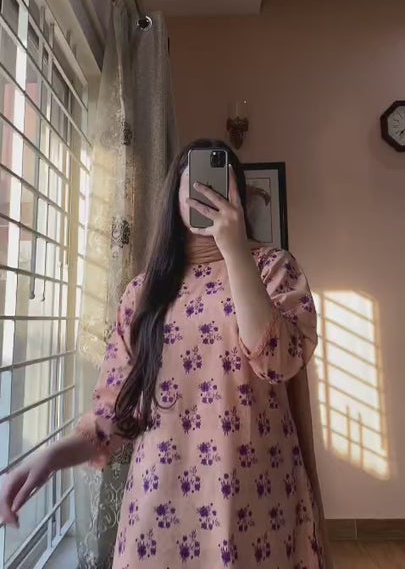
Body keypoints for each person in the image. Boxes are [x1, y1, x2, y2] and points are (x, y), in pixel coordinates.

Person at [0, 138, 327, 568]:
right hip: (161, 504)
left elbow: (278, 360)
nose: (207, 197)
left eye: (219, 187)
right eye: (196, 188)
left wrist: (234, 251)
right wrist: (52, 456)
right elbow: (115, 413)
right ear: (174, 198)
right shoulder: (144, 292)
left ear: (239, 197)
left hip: (256, 500)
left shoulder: (274, 268)